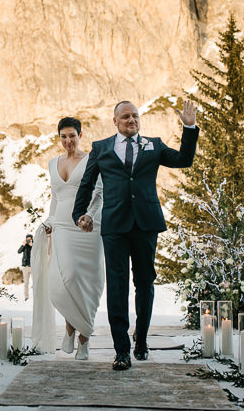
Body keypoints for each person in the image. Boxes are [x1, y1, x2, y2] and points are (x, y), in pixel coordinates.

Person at [73, 100, 198, 370]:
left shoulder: (153, 144)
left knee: (145, 283)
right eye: (126, 116)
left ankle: (141, 338)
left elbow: (184, 160)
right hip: (115, 225)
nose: (132, 120)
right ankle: (121, 350)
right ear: (115, 121)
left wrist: (189, 127)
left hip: (146, 223)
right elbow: (87, 184)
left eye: (135, 116)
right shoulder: (101, 148)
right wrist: (79, 214)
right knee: (117, 287)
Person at [37, 117, 104, 360]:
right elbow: (55, 198)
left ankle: (84, 337)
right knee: (65, 279)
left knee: (87, 282)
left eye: (72, 136)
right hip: (63, 226)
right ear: (59, 138)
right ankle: (69, 327)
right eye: (63, 136)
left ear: (80, 135)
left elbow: (98, 193)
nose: (68, 141)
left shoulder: (91, 160)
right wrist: (50, 221)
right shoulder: (52, 163)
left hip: (88, 227)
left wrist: (89, 215)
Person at [17, 234, 33, 300]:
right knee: (26, 283)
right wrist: (23, 244)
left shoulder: (34, 245)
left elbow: (38, 252)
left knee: (35, 282)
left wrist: (32, 246)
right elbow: (19, 251)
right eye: (27, 239)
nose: (29, 240)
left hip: (33, 266)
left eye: (30, 239)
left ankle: (36, 296)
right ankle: (26, 296)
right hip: (25, 266)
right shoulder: (25, 246)